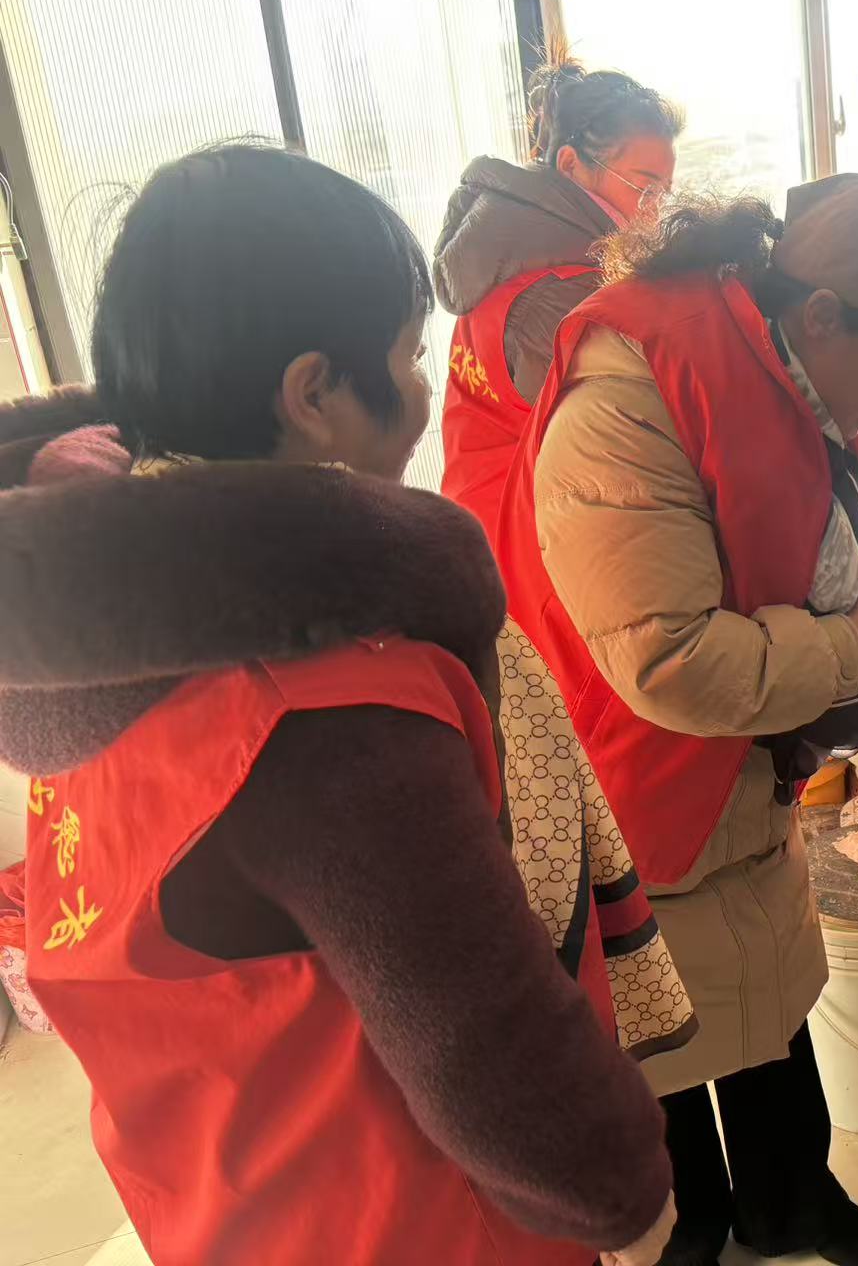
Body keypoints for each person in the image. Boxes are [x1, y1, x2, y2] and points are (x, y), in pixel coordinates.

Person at [0, 144, 674, 1266]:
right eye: (409, 356)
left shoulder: (83, 646)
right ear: (313, 394)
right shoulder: (324, 703)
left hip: (225, 1205)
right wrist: (623, 1192)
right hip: (417, 1227)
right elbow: (485, 1040)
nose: (424, 392)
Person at [491, 176, 858, 1264]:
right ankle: (692, 1228)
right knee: (662, 1017)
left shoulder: (796, 379)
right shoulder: (627, 398)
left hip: (751, 759)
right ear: (822, 316)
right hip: (634, 768)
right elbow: (668, 660)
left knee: (767, 991)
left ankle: (788, 1197)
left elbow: (832, 582)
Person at [435, 55, 680, 541]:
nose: (654, 214)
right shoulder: (566, 292)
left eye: (665, 195)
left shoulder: (503, 250)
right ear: (570, 164)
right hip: (534, 539)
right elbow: (634, 443)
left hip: (480, 520)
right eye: (644, 190)